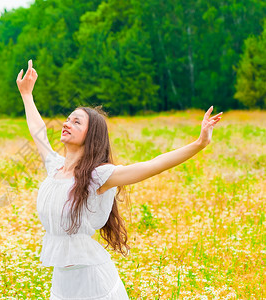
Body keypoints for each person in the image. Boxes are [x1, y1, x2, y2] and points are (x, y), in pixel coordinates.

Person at [16, 59, 222, 299]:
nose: (66, 123)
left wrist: (199, 144)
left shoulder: (98, 176)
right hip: (63, 284)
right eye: (68, 119)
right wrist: (27, 94)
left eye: (76, 121)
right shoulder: (55, 167)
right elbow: (38, 131)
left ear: (90, 135)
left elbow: (152, 165)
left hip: (94, 284)